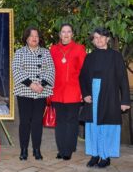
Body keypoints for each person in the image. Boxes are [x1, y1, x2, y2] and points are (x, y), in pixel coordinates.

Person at [79, 27, 131, 168]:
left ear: (107, 38)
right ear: (93, 41)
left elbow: (123, 79)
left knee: (107, 126)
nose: (99, 39)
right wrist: (85, 94)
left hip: (109, 95)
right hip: (93, 96)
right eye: (96, 37)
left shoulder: (116, 56)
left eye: (102, 37)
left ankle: (106, 156)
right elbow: (82, 77)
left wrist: (125, 100)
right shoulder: (89, 57)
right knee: (93, 126)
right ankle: (95, 154)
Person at [12, 27, 55, 161]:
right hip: (24, 91)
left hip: (41, 93)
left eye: (36, 36)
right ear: (26, 38)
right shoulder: (19, 52)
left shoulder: (46, 52)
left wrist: (41, 85)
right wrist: (31, 84)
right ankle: (23, 150)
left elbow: (51, 70)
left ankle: (37, 149)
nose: (34, 38)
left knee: (37, 122)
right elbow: (16, 69)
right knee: (24, 122)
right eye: (31, 36)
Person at [50, 23, 86, 160]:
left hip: (74, 91)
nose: (66, 34)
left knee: (71, 121)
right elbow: (49, 71)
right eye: (63, 32)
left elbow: (84, 72)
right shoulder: (53, 49)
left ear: (72, 34)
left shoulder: (79, 49)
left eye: (68, 32)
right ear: (59, 34)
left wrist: (84, 91)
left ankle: (69, 149)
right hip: (57, 91)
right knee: (60, 121)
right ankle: (61, 149)